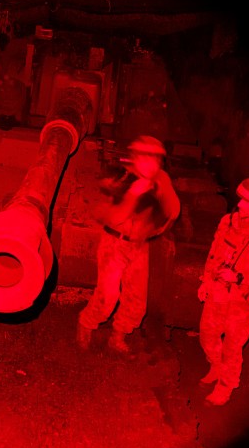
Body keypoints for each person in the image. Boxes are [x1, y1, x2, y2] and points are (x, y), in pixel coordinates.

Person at [77, 135, 181, 355]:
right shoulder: (118, 177)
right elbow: (112, 218)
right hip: (114, 243)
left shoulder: (161, 179)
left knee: (136, 299)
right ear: (134, 157)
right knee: (108, 296)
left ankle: (118, 337)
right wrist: (134, 194)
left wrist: (162, 192)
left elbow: (173, 210)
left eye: (155, 159)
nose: (150, 163)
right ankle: (85, 327)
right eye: (145, 157)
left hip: (140, 246)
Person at [196, 176, 249, 406]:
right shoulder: (227, 222)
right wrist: (206, 281)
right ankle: (215, 366)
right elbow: (213, 253)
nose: (240, 204)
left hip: (239, 305)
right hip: (215, 294)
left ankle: (225, 386)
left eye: (246, 202)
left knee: (233, 348)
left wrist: (239, 278)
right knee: (207, 335)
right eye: (241, 200)